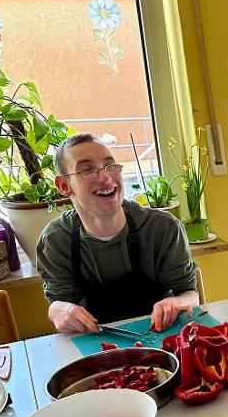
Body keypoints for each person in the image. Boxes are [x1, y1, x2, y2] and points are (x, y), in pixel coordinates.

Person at [36, 133, 199, 333]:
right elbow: (58, 305)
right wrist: (57, 309)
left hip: (163, 336)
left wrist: (177, 302)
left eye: (110, 166)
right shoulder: (55, 241)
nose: (105, 178)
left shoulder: (162, 228)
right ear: (64, 186)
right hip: (96, 346)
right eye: (88, 170)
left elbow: (190, 294)